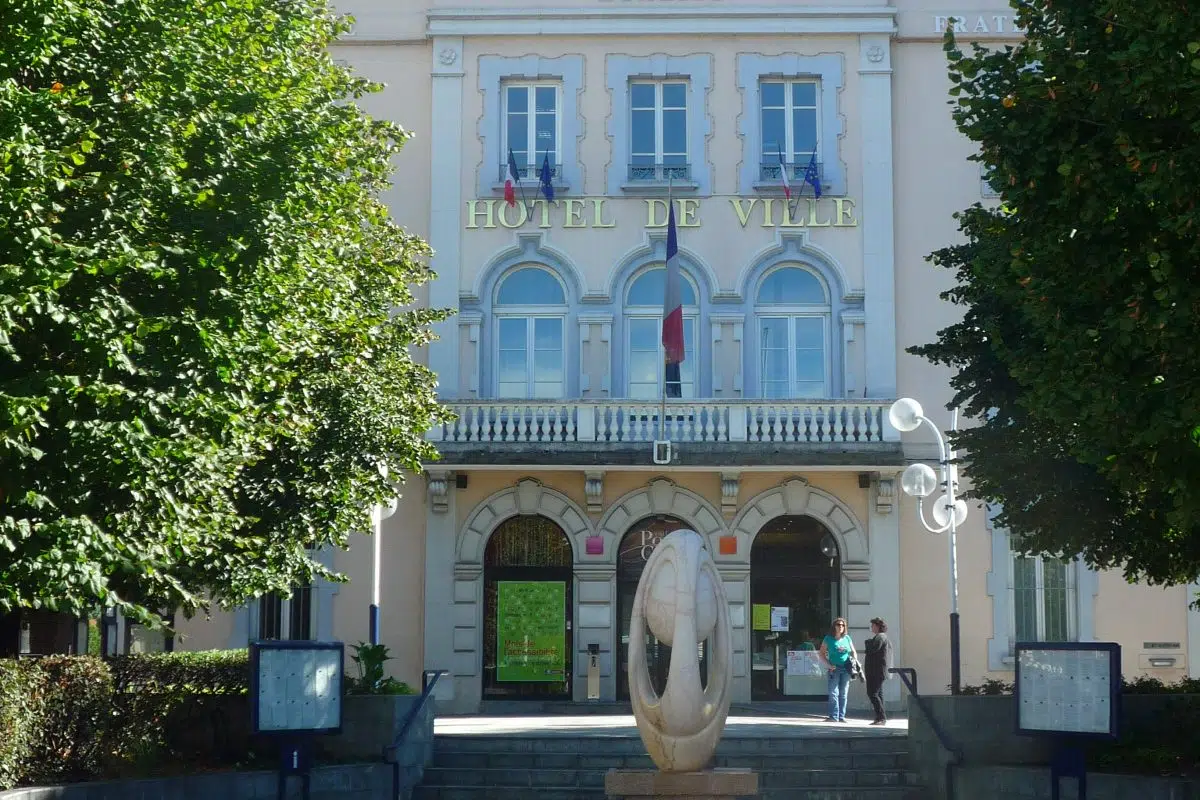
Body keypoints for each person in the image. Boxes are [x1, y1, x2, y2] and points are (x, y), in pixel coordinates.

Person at [819, 617, 856, 722]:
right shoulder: (828, 638)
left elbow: (853, 652)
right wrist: (828, 665)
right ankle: (834, 716)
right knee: (833, 693)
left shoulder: (847, 638)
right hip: (834, 668)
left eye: (843, 625)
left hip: (846, 668)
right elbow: (821, 654)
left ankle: (841, 716)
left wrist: (854, 662)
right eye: (838, 625)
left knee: (843, 693)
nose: (841, 627)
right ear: (834, 626)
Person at [864, 617, 894, 725]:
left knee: (872, 693)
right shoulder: (881, 637)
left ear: (877, 626)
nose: (871, 627)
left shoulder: (880, 637)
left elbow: (871, 649)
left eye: (873, 625)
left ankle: (881, 717)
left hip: (876, 671)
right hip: (878, 670)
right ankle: (880, 717)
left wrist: (868, 642)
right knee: (878, 694)